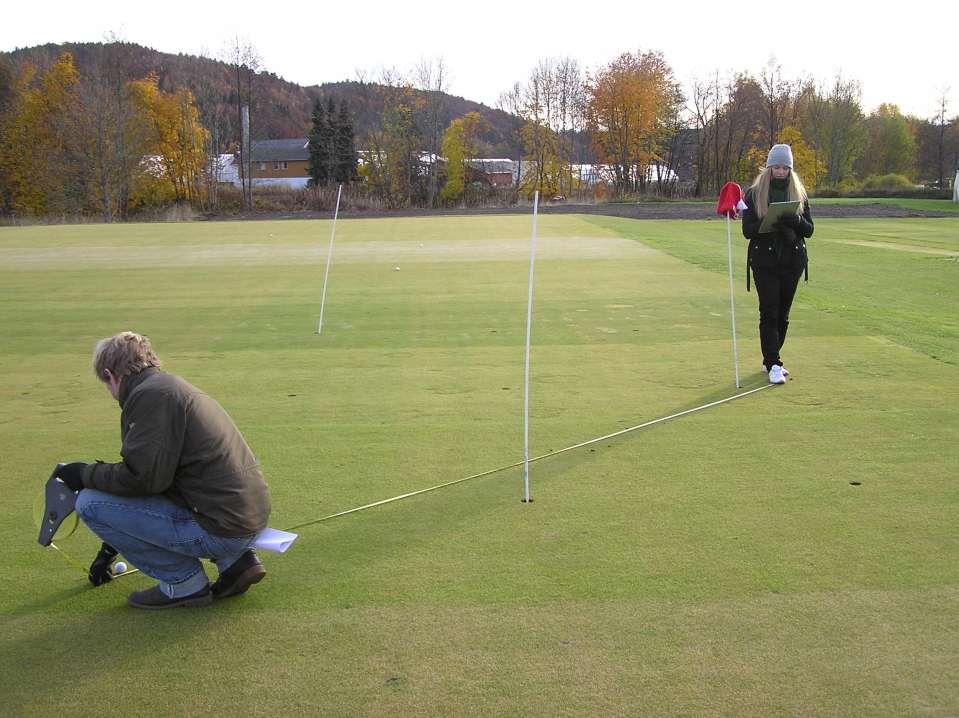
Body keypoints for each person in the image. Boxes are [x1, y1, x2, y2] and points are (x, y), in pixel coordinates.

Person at [55, 331, 271, 609]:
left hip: (223, 527)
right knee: (111, 495)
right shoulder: (167, 387)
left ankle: (184, 585)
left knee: (89, 502)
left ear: (110, 375)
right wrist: (109, 547)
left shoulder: (151, 397)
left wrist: (84, 475)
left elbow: (142, 480)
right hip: (244, 519)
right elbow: (157, 481)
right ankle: (238, 563)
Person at [741, 144, 814, 384]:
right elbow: (747, 231)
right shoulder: (753, 194)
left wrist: (795, 221)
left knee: (783, 314)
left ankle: (770, 358)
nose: (781, 172)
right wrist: (768, 224)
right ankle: (774, 363)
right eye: (777, 167)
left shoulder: (799, 194)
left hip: (792, 260)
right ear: (769, 167)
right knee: (769, 312)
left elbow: (809, 230)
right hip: (765, 261)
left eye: (785, 168)